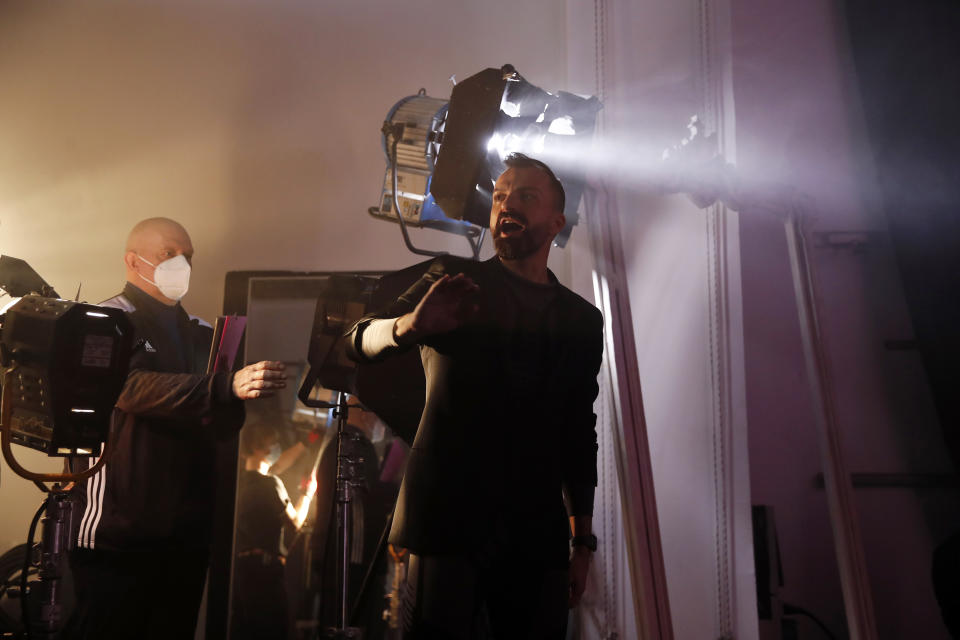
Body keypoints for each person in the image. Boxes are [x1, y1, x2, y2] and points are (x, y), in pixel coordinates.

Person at [347, 153, 603, 638]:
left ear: (556, 223)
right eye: (501, 196)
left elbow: (578, 431)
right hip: (447, 523)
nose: (506, 205)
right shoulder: (452, 281)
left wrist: (582, 542)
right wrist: (410, 325)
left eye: (525, 196)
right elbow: (355, 341)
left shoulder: (581, 320)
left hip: (535, 531)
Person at [64, 217, 287, 640]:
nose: (181, 263)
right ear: (134, 260)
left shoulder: (203, 332)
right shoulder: (105, 319)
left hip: (187, 534)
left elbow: (220, 418)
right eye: (169, 254)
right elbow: (128, 388)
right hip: (118, 533)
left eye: (188, 255)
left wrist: (241, 394)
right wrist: (224, 386)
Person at [233, 421, 318, 640]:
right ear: (260, 449)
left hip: (241, 570)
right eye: (274, 444)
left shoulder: (240, 481)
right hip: (266, 574)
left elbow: (279, 464)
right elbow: (296, 523)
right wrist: (307, 494)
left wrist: (305, 443)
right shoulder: (271, 484)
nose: (277, 448)